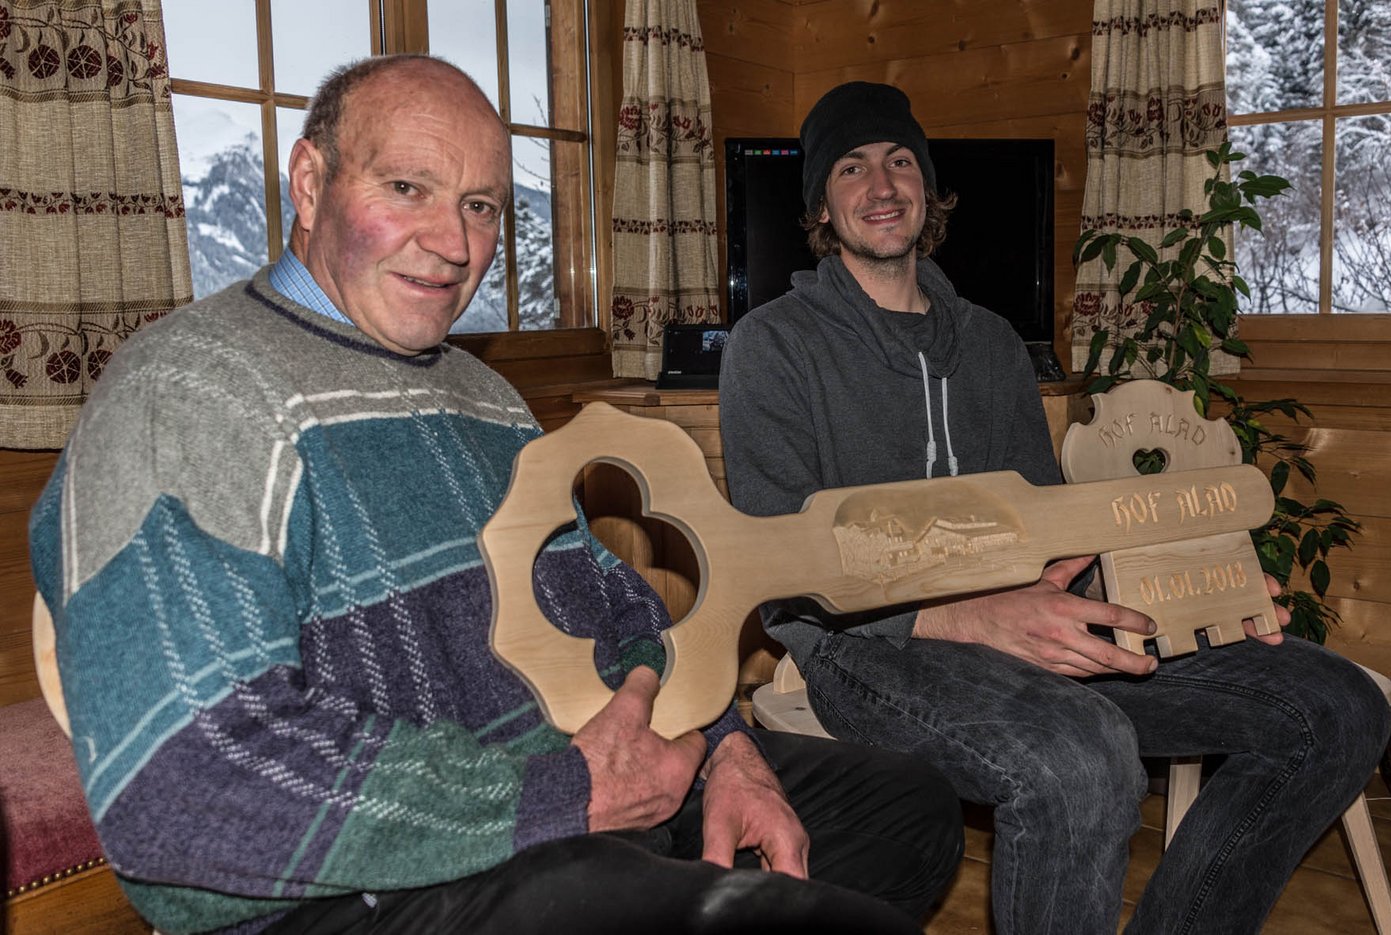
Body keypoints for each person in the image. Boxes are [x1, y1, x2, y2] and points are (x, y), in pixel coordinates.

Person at [28, 58, 964, 935]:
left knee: (909, 812)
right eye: (407, 189)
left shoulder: (482, 396)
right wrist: (561, 797)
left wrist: (723, 746)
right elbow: (181, 785)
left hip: (565, 791)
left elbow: (617, 605)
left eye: (480, 205)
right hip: (375, 882)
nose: (453, 242)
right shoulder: (190, 391)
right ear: (309, 184)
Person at [719, 80, 1391, 935]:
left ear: (927, 188)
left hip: (1029, 617)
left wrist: (1205, 585)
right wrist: (965, 613)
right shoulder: (771, 346)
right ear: (822, 201)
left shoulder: (994, 344)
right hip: (870, 647)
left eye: (899, 162)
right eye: (851, 168)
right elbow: (781, 570)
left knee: (1336, 708)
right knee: (1084, 760)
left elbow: (1052, 531)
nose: (881, 185)